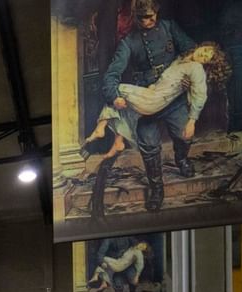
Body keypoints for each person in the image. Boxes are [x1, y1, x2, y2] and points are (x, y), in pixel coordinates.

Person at [101, 0, 196, 212]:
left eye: (153, 16)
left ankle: (182, 159)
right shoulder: (128, 42)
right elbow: (112, 74)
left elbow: (191, 49)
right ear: (136, 17)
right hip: (146, 101)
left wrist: (188, 71)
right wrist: (114, 96)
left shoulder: (170, 27)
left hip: (173, 97)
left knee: (184, 134)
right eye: (144, 17)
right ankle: (156, 188)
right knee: (149, 146)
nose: (150, 21)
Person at [85, 42, 231, 161]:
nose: (202, 54)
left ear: (206, 64)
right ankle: (118, 143)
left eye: (206, 57)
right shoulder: (181, 61)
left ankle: (100, 127)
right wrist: (154, 85)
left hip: (154, 100)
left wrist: (192, 121)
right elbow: (167, 80)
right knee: (125, 107)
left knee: (118, 90)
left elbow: (200, 94)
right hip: (153, 94)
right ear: (201, 46)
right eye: (205, 50)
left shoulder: (196, 68)